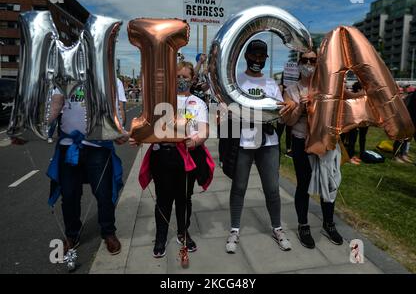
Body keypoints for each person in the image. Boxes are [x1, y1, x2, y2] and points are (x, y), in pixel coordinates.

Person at [221, 39, 296, 254]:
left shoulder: (271, 84)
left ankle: (277, 228)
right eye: (253, 55)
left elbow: (280, 115)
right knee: (239, 187)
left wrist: (289, 108)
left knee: (272, 188)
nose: (257, 59)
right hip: (243, 142)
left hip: (268, 143)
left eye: (261, 56)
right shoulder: (236, 81)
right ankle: (234, 229)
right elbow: (229, 110)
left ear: (265, 59)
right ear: (246, 56)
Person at [134, 61, 214, 258]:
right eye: (177, 76)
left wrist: (195, 142)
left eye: (185, 77)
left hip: (188, 156)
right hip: (163, 155)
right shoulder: (160, 101)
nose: (181, 80)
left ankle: (182, 232)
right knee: (163, 199)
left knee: (184, 198)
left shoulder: (199, 103)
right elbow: (147, 127)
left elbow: (204, 130)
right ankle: (161, 237)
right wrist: (138, 137)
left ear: (192, 79)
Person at [47, 80, 129, 255]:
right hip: (69, 145)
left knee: (103, 193)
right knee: (69, 194)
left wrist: (119, 130)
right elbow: (52, 109)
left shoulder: (112, 79)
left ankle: (108, 233)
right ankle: (72, 235)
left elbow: (119, 111)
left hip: (98, 146)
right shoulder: (64, 79)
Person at [282, 51, 343, 249]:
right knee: (303, 184)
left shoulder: (326, 89)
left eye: (313, 60)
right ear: (299, 63)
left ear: (319, 63)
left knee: (329, 182)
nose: (308, 64)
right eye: (304, 60)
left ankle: (328, 223)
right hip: (301, 142)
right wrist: (301, 107)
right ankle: (303, 224)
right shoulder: (291, 90)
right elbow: (287, 121)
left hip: (324, 142)